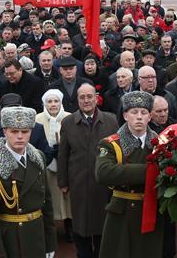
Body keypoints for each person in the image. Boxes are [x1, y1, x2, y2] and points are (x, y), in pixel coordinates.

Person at [0, 106, 57, 258]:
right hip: (11, 239)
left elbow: (47, 202)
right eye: (14, 131)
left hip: (37, 235)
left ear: (31, 132)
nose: (20, 136)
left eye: (25, 131)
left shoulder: (38, 158)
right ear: (4, 132)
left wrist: (50, 241)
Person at [95, 91, 163, 257]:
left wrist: (123, 171)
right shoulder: (111, 143)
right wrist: (152, 171)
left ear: (150, 116)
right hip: (122, 213)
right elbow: (104, 173)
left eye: (144, 112)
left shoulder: (161, 144)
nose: (139, 117)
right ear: (125, 115)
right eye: (134, 112)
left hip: (152, 212)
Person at [57, 84, 119, 258]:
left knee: (103, 223)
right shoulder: (68, 122)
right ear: (77, 99)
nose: (86, 100)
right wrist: (63, 182)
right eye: (82, 97)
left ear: (96, 97)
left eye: (89, 96)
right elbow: (63, 154)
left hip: (104, 184)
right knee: (80, 224)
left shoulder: (111, 120)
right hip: (78, 182)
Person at [35, 89, 74, 242]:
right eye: (49, 102)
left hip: (67, 165)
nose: (53, 104)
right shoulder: (37, 119)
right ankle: (50, 229)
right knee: (50, 197)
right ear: (44, 103)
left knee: (68, 198)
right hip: (46, 165)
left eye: (56, 101)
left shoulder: (69, 117)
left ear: (61, 102)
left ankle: (69, 226)